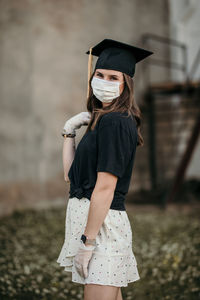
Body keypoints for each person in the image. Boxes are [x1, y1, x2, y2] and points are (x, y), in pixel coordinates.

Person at [57, 38, 154, 300]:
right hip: (92, 223)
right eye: (99, 74)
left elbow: (106, 187)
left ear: (126, 85)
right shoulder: (102, 119)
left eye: (113, 77)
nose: (104, 81)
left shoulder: (115, 122)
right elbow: (71, 176)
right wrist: (69, 132)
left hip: (102, 229)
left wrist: (87, 243)